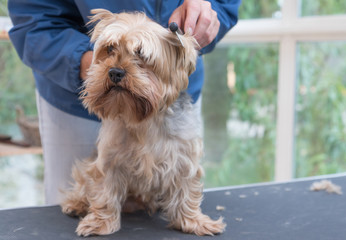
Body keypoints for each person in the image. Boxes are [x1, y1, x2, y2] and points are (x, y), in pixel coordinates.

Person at [8, 0, 241, 205]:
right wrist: (95, 67)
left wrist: (209, 10)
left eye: (141, 58)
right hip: (76, 100)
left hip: (175, 102)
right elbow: (34, 19)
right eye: (110, 50)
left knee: (175, 193)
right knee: (78, 210)